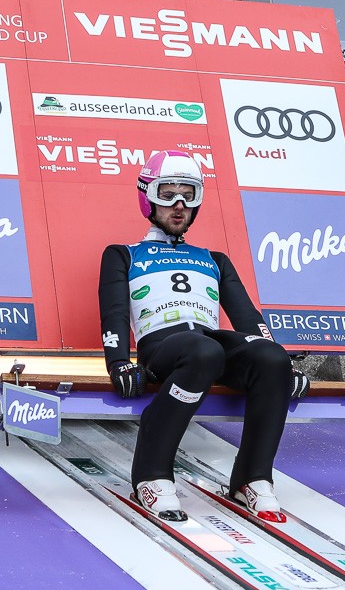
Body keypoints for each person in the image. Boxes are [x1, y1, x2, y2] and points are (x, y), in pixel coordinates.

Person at [98, 150, 310, 522]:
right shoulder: (122, 254)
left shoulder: (213, 258)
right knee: (204, 351)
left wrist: (284, 365)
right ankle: (151, 475)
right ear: (148, 197)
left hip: (209, 343)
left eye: (188, 195)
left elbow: (247, 317)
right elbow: (114, 312)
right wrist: (118, 363)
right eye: (167, 195)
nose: (179, 205)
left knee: (271, 358)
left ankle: (252, 478)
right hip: (164, 346)